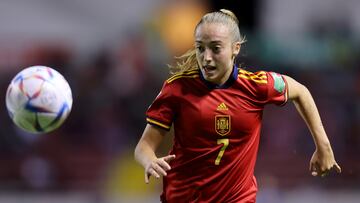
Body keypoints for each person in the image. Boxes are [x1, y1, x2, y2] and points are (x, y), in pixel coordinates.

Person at [134, 9, 341, 202]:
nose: (206, 58)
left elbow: (300, 91)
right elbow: (144, 146)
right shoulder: (177, 89)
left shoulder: (256, 86)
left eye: (215, 48)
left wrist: (323, 146)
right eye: (200, 48)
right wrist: (149, 160)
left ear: (235, 48)